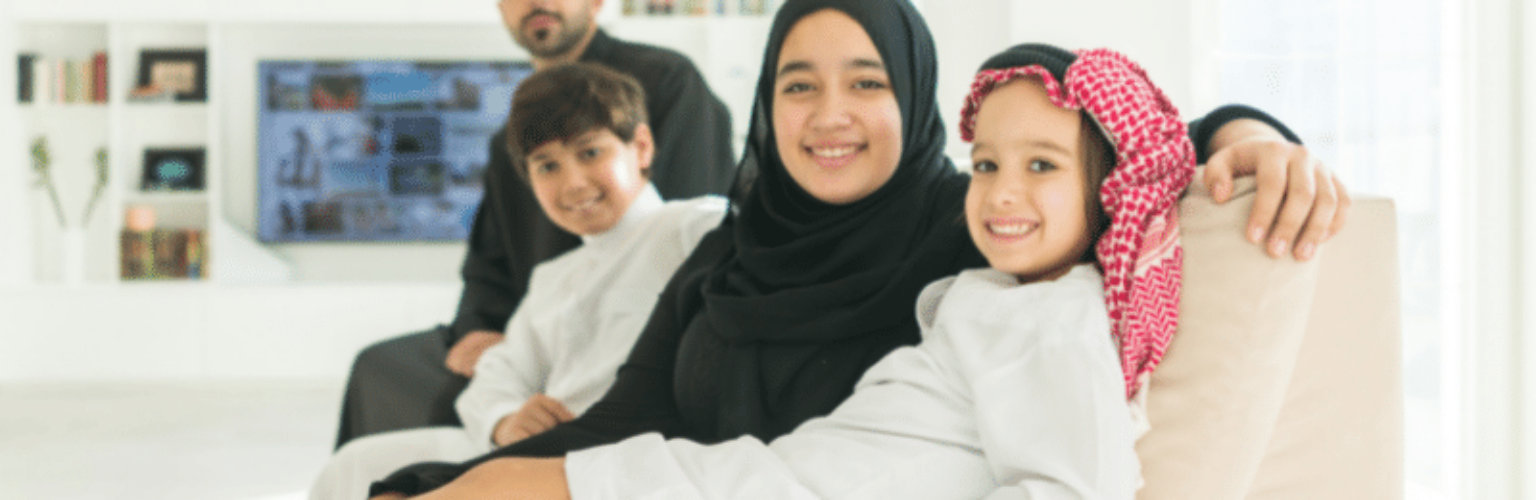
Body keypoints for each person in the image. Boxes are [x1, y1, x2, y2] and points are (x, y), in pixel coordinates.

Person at [368, 0, 1349, 497]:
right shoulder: (728, 251)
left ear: (913, 97)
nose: (828, 115)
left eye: (867, 83)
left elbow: (1115, 153)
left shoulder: (975, 233)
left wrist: (1249, 134)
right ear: (767, 104)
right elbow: (628, 415)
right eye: (798, 84)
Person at [312, 63, 728, 500]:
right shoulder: (553, 279)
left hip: (615, 458)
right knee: (352, 466)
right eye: (547, 166)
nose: (572, 183)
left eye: (590, 153)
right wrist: (504, 420)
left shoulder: (693, 227)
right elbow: (497, 376)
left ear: (640, 146)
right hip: (538, 447)